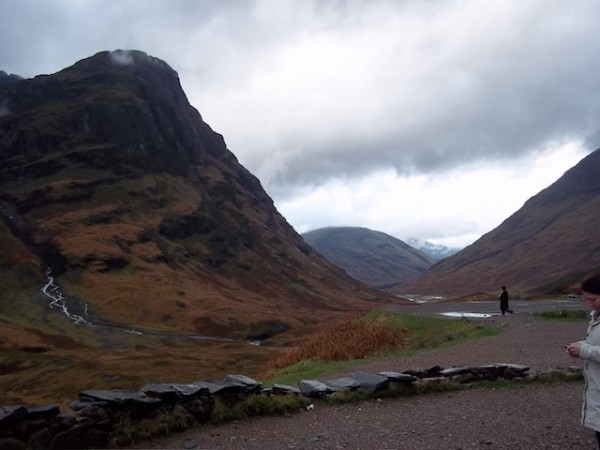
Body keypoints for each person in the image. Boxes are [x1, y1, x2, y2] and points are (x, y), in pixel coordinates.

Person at [566, 272, 600, 448]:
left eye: (592, 299)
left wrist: (585, 350)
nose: (589, 304)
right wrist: (581, 346)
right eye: (586, 299)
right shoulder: (597, 316)